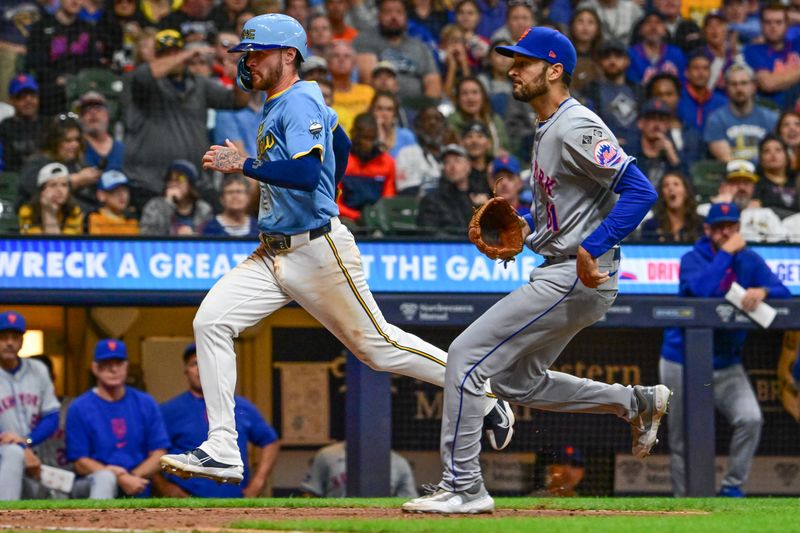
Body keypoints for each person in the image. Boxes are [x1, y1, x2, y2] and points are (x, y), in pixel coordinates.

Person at [158, 14, 514, 485]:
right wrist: (327, 182)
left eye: (257, 53)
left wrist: (244, 163)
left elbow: (306, 175)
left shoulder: (299, 97)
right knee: (210, 321)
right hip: (272, 253)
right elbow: (339, 142)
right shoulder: (287, 101)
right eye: (245, 54)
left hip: (316, 250)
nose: (248, 62)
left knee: (379, 348)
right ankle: (223, 447)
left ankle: (483, 394)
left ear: (289, 55)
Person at [402, 27, 666, 514]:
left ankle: (464, 486)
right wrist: (527, 227)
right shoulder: (546, 127)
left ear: (554, 69)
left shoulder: (576, 125)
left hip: (577, 273)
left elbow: (641, 191)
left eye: (523, 62)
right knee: (517, 382)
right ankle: (634, 402)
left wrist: (597, 243)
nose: (512, 69)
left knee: (464, 357)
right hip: (563, 266)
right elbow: (570, 208)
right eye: (512, 60)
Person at [659, 202, 791, 498]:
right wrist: (728, 253)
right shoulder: (692, 258)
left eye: (731, 226)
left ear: (739, 229)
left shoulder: (751, 260)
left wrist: (765, 291)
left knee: (751, 418)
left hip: (725, 363)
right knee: (681, 438)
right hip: (682, 360)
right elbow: (703, 291)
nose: (725, 232)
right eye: (719, 227)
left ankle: (732, 486)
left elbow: (784, 290)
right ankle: (686, 504)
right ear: (707, 230)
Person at [121, 28, 248, 210]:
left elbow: (238, 102)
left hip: (195, 182)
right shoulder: (139, 79)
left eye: (176, 51)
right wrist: (187, 53)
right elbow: (148, 74)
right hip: (148, 182)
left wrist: (237, 78)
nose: (173, 57)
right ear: (157, 56)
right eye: (166, 53)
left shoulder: (199, 84)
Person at [155, 343, 278, 497]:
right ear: (186, 370)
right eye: (195, 364)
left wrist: (258, 481)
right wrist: (166, 488)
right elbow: (150, 452)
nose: (202, 369)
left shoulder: (240, 406)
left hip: (234, 502)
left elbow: (270, 442)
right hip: (186, 503)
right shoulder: (168, 410)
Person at [66, 339, 170, 499]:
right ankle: (97, 523)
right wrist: (119, 477)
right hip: (93, 483)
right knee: (105, 478)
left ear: (126, 366)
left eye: (119, 363)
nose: (114, 369)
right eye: (106, 364)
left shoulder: (145, 402)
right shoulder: (79, 407)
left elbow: (159, 453)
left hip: (137, 483)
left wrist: (132, 476)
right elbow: (80, 463)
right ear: (95, 368)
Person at [0, 311, 61, 501]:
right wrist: (19, 447)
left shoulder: (38, 369)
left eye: (15, 337)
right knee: (12, 453)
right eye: (3, 337)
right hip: (7, 451)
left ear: (22, 341)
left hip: (33, 452)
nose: (10, 342)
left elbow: (52, 415)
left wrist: (26, 443)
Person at [353, 0, 442, 104]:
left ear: (406, 17)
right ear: (379, 15)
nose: (394, 17)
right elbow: (368, 80)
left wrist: (427, 107)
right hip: (380, 104)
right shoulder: (366, 40)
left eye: (399, 12)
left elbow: (433, 82)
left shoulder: (419, 47)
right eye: (388, 12)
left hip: (416, 106)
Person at [704, 64, 778, 163]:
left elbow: (777, 155)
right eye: (733, 84)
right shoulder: (716, 120)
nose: (739, 89)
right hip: (733, 176)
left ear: (754, 86)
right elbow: (726, 160)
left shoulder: (770, 118)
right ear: (726, 88)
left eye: (744, 83)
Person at [301, 441, 418, 498]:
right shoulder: (327, 455)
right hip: (336, 522)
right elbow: (310, 493)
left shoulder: (399, 462)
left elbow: (409, 502)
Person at [582, 40, 642, 148]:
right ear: (600, 62)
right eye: (606, 56)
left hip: (638, 150)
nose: (612, 60)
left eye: (618, 56)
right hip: (604, 149)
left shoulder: (639, 90)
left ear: (627, 61)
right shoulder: (591, 90)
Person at [337, 113, 396, 223]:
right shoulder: (340, 161)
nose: (369, 143)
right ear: (354, 134)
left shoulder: (387, 162)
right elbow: (334, 203)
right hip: (346, 219)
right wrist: (356, 216)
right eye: (365, 138)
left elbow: (388, 199)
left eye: (372, 139)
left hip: (378, 219)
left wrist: (374, 217)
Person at [416, 143, 484, 235]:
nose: (452, 166)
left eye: (457, 161)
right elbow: (429, 233)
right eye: (447, 162)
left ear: (468, 166)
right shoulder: (432, 200)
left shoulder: (481, 196)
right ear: (443, 169)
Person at [743, 4, 800, 109]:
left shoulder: (797, 44)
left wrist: (794, 16)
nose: (773, 27)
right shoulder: (753, 50)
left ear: (787, 24)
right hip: (771, 111)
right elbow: (768, 83)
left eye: (779, 22)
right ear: (761, 25)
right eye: (768, 22)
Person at [140, 159, 214, 236]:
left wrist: (192, 236)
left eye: (180, 178)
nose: (173, 183)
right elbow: (148, 236)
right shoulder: (154, 206)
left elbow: (209, 239)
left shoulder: (203, 209)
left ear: (190, 185)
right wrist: (167, 205)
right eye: (170, 179)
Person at [18, 163, 84, 235]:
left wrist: (50, 214)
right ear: (42, 191)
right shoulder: (27, 211)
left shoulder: (74, 211)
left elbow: (62, 244)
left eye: (64, 185)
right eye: (53, 185)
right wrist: (48, 211)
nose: (59, 190)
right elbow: (36, 243)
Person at [639, 171, 703, 242]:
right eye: (666, 185)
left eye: (676, 184)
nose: (670, 188)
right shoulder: (651, 226)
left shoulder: (701, 224)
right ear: (662, 195)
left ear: (686, 192)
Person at [328, 41, 374, 136]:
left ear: (354, 64)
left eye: (347, 56)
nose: (341, 60)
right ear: (328, 63)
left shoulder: (368, 92)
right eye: (336, 56)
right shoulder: (322, 93)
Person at [626, 12, 686, 86]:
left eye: (658, 22)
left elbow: (683, 83)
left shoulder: (676, 53)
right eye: (648, 22)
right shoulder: (630, 54)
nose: (653, 27)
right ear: (640, 30)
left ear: (665, 30)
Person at [0, 74, 44, 173]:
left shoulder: (48, 125)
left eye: (32, 95)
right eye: (21, 97)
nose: (28, 101)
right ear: (11, 100)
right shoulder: (4, 128)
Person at [677, 51, 728, 133]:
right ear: (687, 72)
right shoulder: (677, 99)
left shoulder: (722, 103)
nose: (701, 73)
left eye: (705, 68)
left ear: (710, 73)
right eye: (696, 68)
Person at [77, 91, 125, 174]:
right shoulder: (74, 148)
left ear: (107, 114)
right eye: (86, 109)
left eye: (97, 107)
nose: (92, 112)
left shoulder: (123, 150)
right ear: (81, 118)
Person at [754, 134, 799, 217]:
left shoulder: (797, 180)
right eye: (766, 151)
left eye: (778, 150)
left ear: (787, 156)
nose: (773, 154)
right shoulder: (756, 183)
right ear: (760, 159)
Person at [87, 169, 140, 235]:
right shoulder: (92, 219)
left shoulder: (133, 222)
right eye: (115, 190)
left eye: (125, 190)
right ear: (101, 195)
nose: (122, 194)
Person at [369, 91, 417, 159]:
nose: (384, 113)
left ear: (395, 114)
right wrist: (380, 136)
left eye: (389, 109)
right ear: (372, 111)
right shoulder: (366, 137)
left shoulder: (406, 135)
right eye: (379, 108)